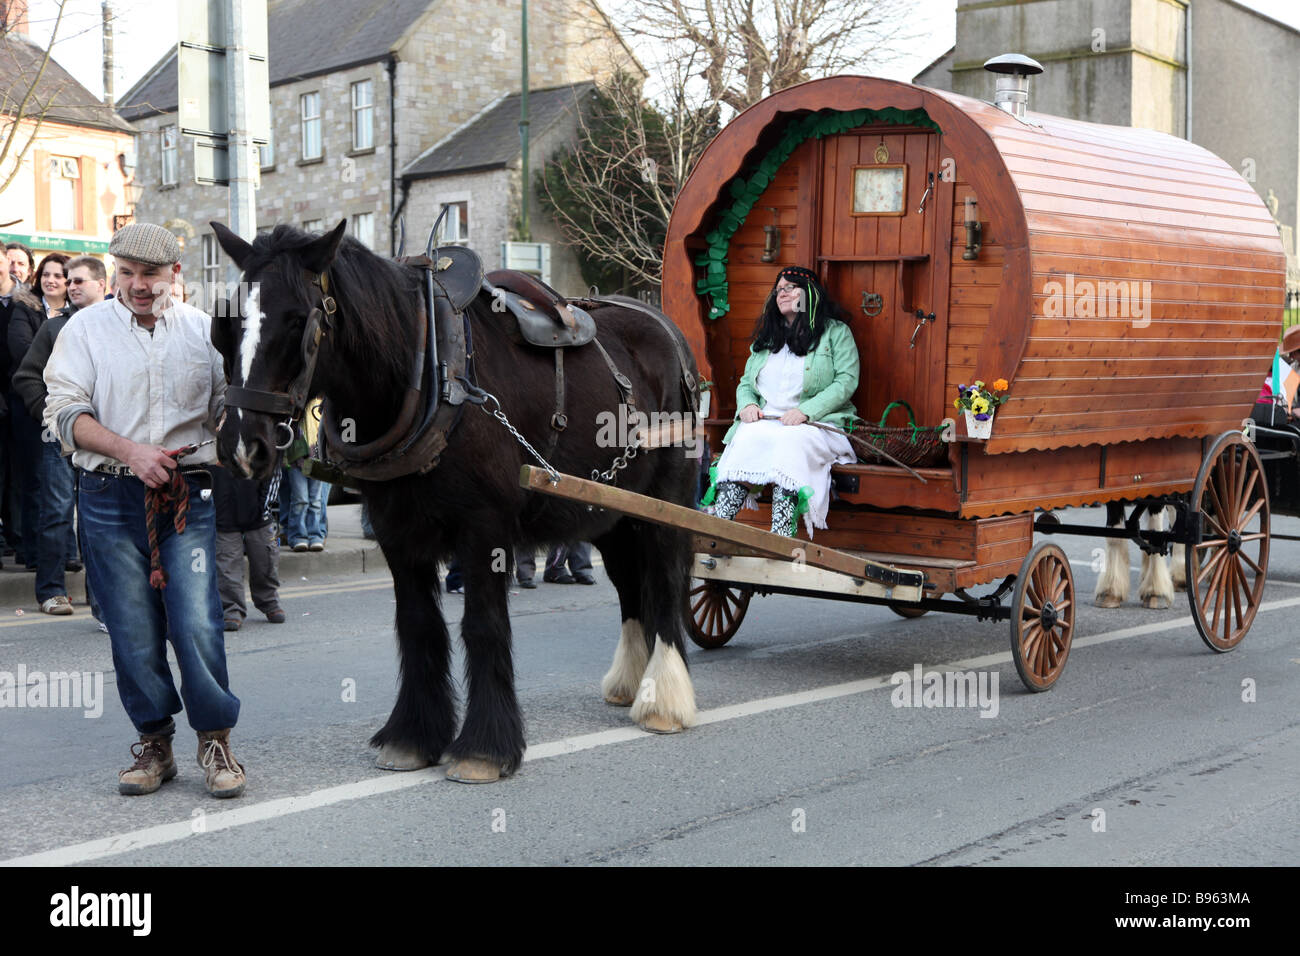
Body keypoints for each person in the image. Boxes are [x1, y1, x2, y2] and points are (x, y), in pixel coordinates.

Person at [43, 222, 246, 799]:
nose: (137, 284)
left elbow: (225, 409)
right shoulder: (83, 330)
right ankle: (156, 742)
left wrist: (240, 426)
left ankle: (215, 740)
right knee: (131, 629)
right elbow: (63, 413)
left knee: (196, 621)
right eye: (126, 273)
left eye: (150, 274)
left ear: (174, 275)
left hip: (187, 494)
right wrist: (130, 451)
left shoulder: (206, 332)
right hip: (106, 495)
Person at [708, 266, 860, 537]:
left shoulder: (836, 333)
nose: (782, 293)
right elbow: (746, 383)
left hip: (818, 424)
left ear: (810, 294)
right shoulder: (767, 339)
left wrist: (806, 411)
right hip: (768, 420)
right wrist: (747, 405)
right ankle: (719, 528)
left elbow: (846, 381)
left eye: (790, 287)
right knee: (745, 437)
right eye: (779, 289)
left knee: (791, 442)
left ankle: (781, 533)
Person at [11, 256, 105, 614]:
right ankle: (51, 591)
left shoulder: (119, 326)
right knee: (57, 512)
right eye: (70, 280)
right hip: (59, 438)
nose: (73, 285)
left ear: (102, 284)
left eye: (80, 280)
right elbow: (26, 376)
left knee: (100, 519)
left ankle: (102, 599)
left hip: (107, 439)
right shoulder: (54, 328)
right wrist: (49, 416)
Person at [0, 263, 42, 566]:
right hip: (12, 397)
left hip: (19, 402)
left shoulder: (24, 302)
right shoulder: (25, 307)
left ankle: (21, 540)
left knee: (23, 477)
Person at [210, 464, 285, 631]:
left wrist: (265, 505)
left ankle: (269, 601)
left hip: (258, 513)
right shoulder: (211, 440)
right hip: (223, 513)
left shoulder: (258, 438)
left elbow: (273, 467)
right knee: (226, 565)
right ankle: (232, 609)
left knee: (265, 559)